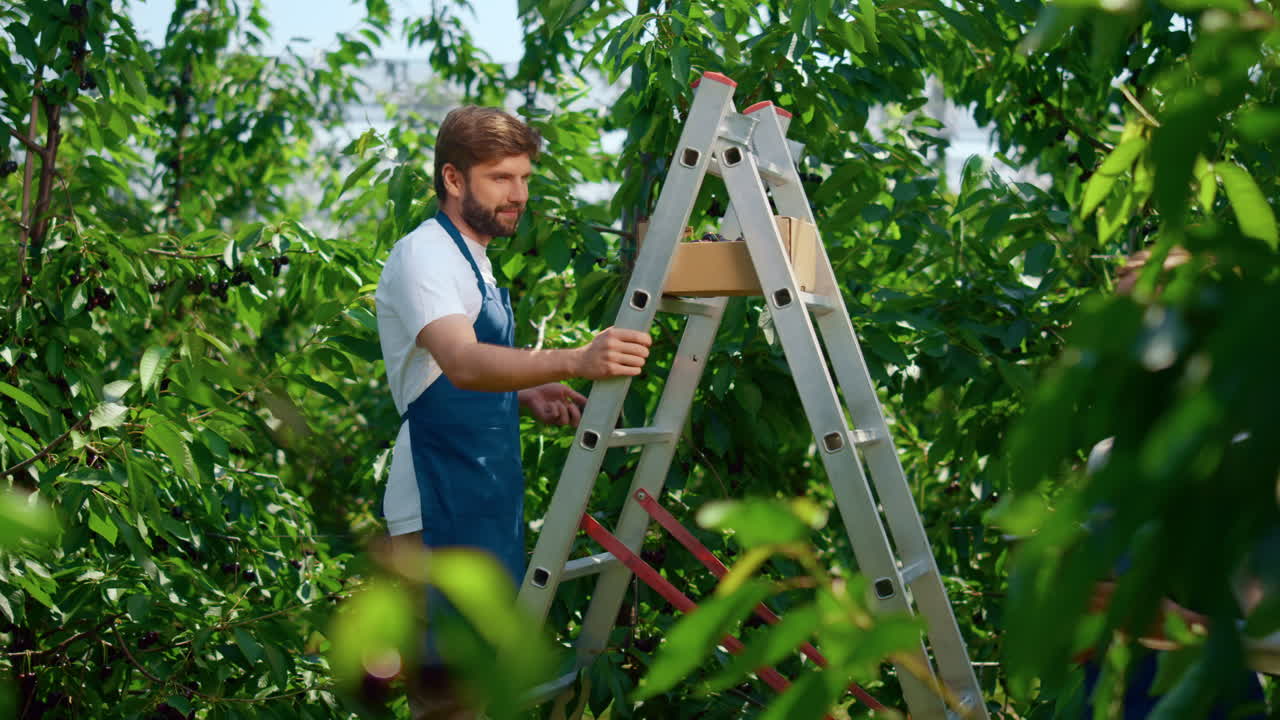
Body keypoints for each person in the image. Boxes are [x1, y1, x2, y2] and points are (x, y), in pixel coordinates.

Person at [374, 106, 652, 718]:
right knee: (451, 693)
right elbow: (464, 363)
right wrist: (575, 360)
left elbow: (455, 374)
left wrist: (524, 394)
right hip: (436, 495)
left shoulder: (474, 259)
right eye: (502, 178)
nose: (519, 195)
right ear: (453, 178)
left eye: (525, 179)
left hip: (481, 488)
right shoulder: (425, 255)